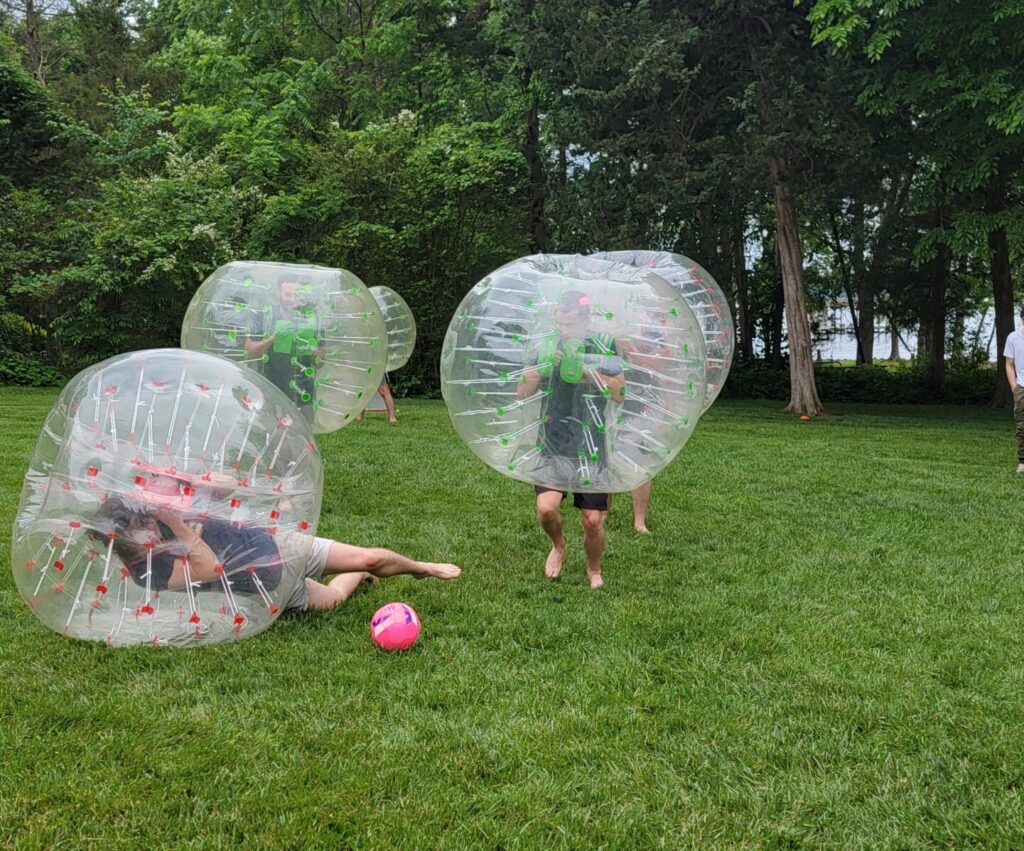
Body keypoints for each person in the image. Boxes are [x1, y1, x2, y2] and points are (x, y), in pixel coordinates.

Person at [88, 496, 461, 613]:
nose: (149, 525)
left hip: (276, 545)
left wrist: (176, 499)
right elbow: (208, 567)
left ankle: (419, 568)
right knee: (333, 599)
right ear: (124, 541)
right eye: (139, 526)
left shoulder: (160, 510)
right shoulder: (147, 572)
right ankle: (358, 580)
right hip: (265, 586)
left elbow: (221, 487)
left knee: (366, 558)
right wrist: (179, 526)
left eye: (143, 518)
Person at [516, 290, 626, 588]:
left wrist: (587, 372)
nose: (566, 330)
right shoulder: (546, 346)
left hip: (590, 440)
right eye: (562, 324)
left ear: (587, 319)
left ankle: (594, 570)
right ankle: (558, 545)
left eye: (572, 324)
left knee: (592, 519)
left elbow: (619, 393)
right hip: (554, 437)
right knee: (546, 508)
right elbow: (522, 392)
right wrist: (542, 369)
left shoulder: (603, 345)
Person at [243, 274, 323, 420]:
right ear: (278, 293)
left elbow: (321, 362)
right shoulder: (265, 316)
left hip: (303, 393)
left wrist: (308, 346)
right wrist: (272, 338)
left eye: (296, 294)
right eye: (287, 294)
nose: (292, 299)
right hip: (269, 389)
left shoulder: (311, 319)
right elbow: (250, 351)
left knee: (301, 440)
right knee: (270, 436)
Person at [1003, 306, 1024, 474]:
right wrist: (1014, 387)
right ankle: (1022, 461)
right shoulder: (1013, 338)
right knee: (1021, 425)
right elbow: (1009, 364)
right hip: (1021, 388)